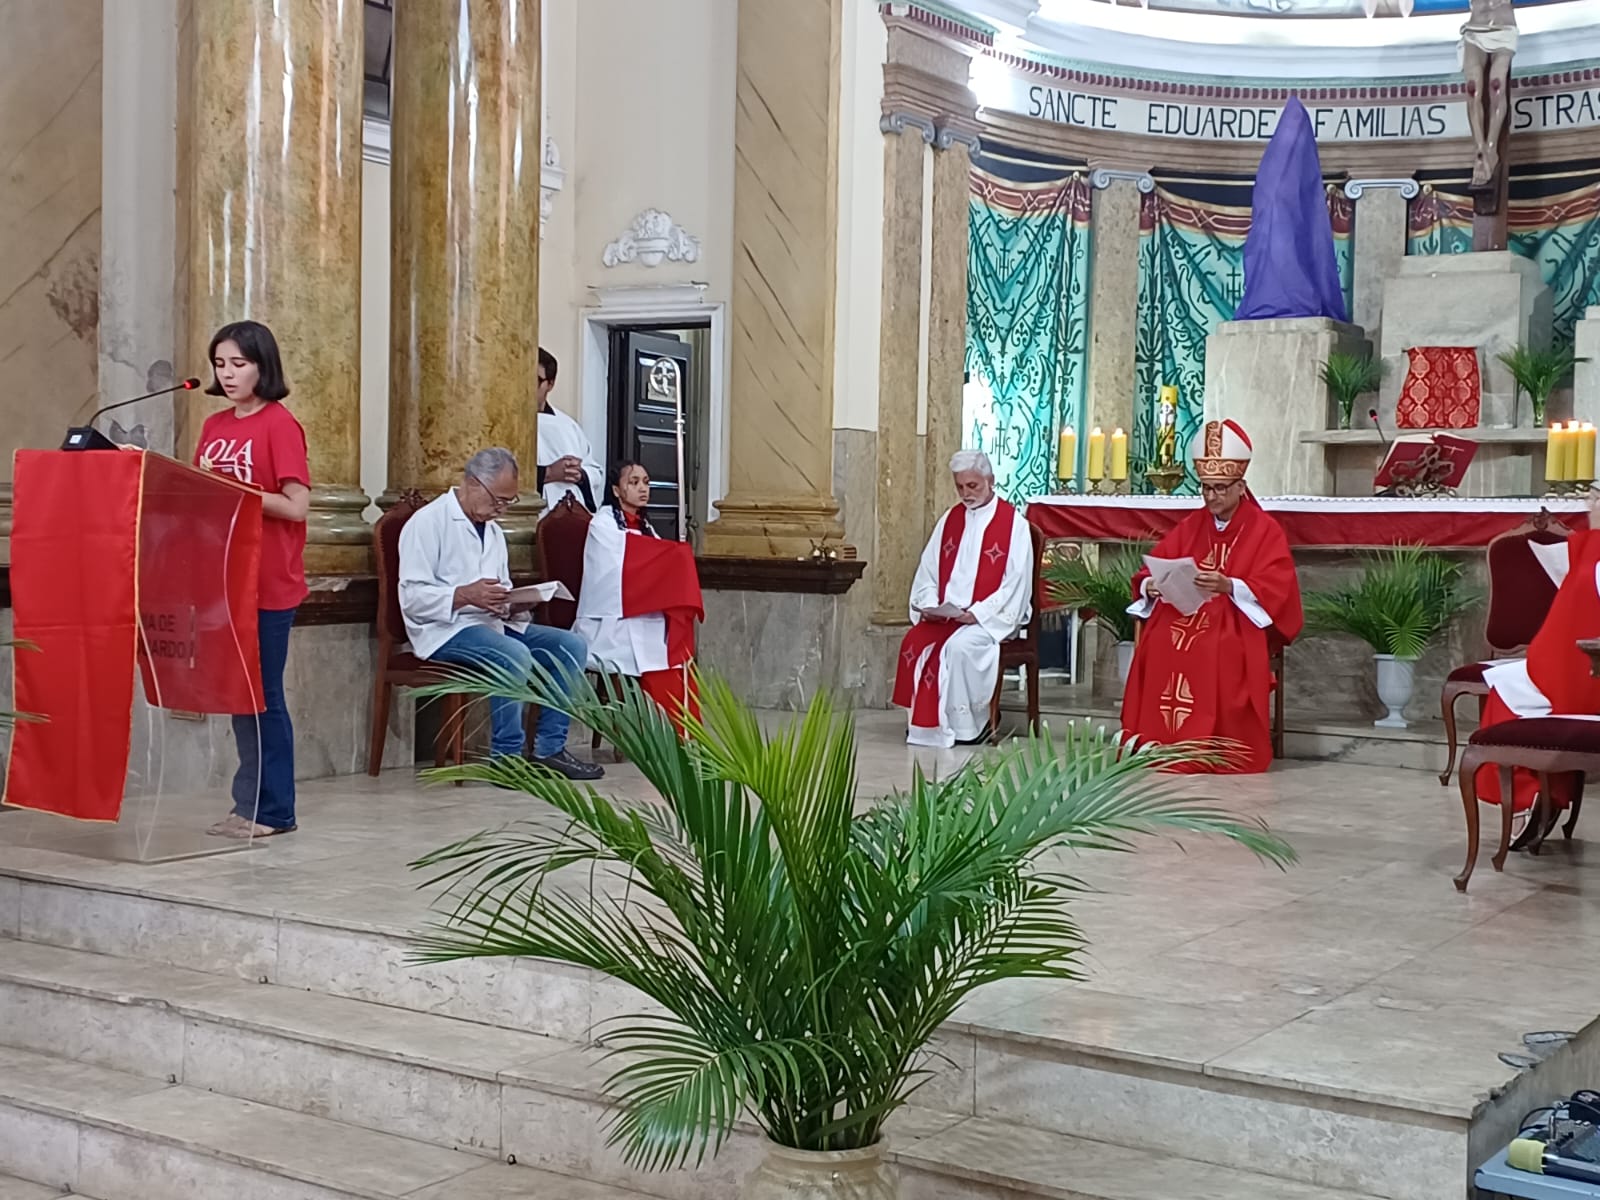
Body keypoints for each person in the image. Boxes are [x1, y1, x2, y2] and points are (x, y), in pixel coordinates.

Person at [398, 447, 603, 781]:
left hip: (490, 622)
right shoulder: (427, 523)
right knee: (513, 654)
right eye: (498, 500)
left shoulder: (492, 530)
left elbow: (500, 587)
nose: (501, 509)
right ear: (473, 483)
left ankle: (549, 749)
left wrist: (514, 603)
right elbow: (412, 598)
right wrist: (465, 595)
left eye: (508, 502)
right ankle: (506, 758)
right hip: (444, 628)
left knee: (571, 646)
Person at [1120, 420, 1303, 774]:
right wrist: (1150, 586)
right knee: (1158, 641)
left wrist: (1230, 585)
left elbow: (1278, 588)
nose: (1211, 497)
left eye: (1220, 488)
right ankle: (1160, 744)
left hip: (1234, 621)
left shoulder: (1264, 529)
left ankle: (1210, 748)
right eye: (1205, 488)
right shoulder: (1193, 523)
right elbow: (1150, 569)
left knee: (1210, 647)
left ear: (1240, 486)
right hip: (1185, 614)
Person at [194, 320, 309, 838]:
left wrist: (238, 495)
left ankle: (275, 812)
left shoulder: (279, 424)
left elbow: (296, 505)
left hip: (267, 582)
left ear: (263, 366)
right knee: (241, 697)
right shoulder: (215, 426)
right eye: (221, 364)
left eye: (239, 363)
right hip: (222, 579)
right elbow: (199, 490)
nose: (228, 373)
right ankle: (247, 807)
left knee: (264, 696)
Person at [1475, 504, 1600, 846]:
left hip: (1588, 677)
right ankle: (1545, 795)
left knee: (1512, 688)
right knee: (1517, 680)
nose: (1590, 507)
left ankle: (1529, 797)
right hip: (1583, 667)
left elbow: (1573, 625)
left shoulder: (1595, 559)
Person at [894, 449, 1034, 748]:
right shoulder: (950, 520)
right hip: (948, 615)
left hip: (989, 619)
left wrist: (979, 613)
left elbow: (1016, 584)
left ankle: (971, 726)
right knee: (913, 642)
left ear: (990, 480)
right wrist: (930, 605)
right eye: (960, 487)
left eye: (973, 486)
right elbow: (928, 570)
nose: (966, 493)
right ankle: (924, 727)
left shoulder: (1014, 525)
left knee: (959, 648)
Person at [574, 461, 704, 731]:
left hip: (642, 614)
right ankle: (675, 729)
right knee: (654, 652)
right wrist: (671, 555)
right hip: (609, 620)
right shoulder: (602, 524)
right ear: (616, 490)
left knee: (672, 651)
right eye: (633, 482)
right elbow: (615, 572)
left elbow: (656, 569)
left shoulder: (647, 528)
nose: (643, 488)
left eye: (646, 482)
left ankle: (686, 731)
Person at [535, 348, 603, 515]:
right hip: (531, 514)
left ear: (550, 384)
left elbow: (594, 471)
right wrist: (548, 473)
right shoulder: (504, 425)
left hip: (569, 515)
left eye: (534, 380)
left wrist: (579, 474)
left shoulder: (567, 425)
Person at [1460, 0, 1517, 191]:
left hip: (1504, 29)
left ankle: (1491, 149)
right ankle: (1480, 149)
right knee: (1472, 89)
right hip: (1475, 31)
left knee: (1496, 86)